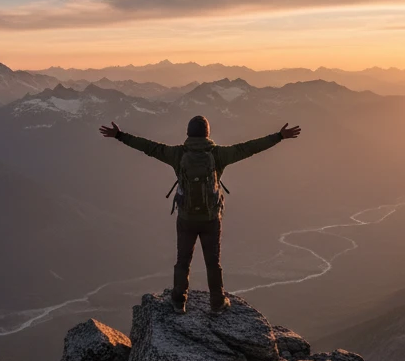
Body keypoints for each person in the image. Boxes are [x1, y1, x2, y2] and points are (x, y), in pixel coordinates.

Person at [100, 115, 301, 313]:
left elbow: (148, 147)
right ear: (207, 134)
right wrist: (279, 136)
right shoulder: (218, 155)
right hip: (211, 219)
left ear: (188, 133)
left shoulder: (177, 154)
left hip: (186, 218)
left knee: (183, 260)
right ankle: (217, 302)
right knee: (213, 262)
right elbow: (248, 148)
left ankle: (179, 301)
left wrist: (120, 135)